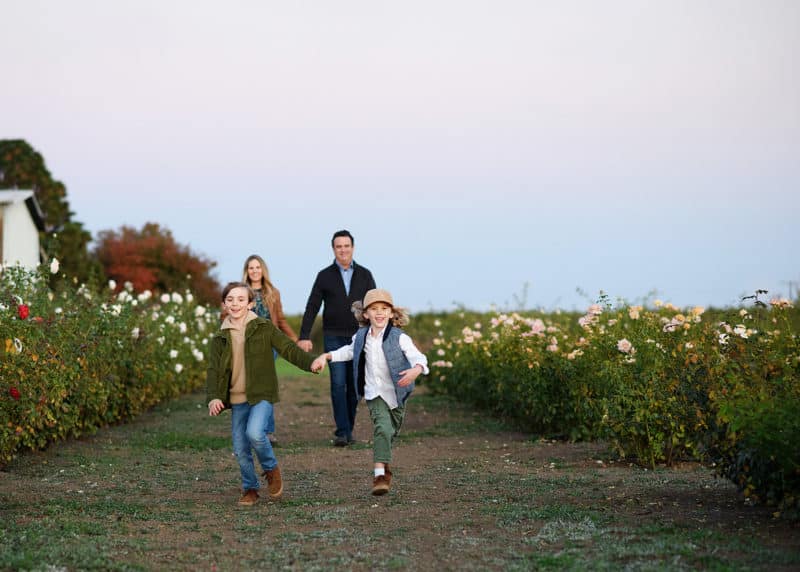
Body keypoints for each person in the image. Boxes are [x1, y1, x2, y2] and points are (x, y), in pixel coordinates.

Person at [207, 282, 318, 507]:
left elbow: (288, 348)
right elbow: (214, 370)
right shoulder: (219, 337)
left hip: (261, 394)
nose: (235, 304)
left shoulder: (264, 327)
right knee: (240, 449)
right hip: (237, 399)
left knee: (256, 434)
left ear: (250, 303)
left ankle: (270, 468)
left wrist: (310, 362)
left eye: (240, 299)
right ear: (224, 304)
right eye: (230, 300)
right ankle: (250, 488)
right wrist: (214, 397)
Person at [311, 288, 428, 496]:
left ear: (391, 313)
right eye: (374, 309)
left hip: (398, 393)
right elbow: (348, 351)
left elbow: (419, 357)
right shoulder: (361, 335)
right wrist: (326, 357)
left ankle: (385, 464)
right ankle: (379, 475)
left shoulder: (399, 337)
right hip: (374, 393)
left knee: (390, 432)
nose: (379, 313)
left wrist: (416, 370)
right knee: (382, 429)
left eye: (384, 308)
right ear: (365, 314)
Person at [298, 230, 376, 447]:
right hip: (333, 336)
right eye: (338, 246)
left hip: (360, 338)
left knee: (355, 386)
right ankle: (342, 431)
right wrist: (304, 335)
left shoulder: (365, 274)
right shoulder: (324, 275)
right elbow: (312, 306)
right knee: (338, 384)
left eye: (346, 246)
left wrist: (379, 332)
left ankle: (347, 427)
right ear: (333, 249)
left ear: (353, 247)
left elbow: (375, 304)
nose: (343, 250)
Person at [242, 254, 297, 445]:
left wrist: (295, 339)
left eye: (258, 267)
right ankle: (253, 428)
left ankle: (267, 431)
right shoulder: (240, 292)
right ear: (246, 271)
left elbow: (280, 319)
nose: (255, 271)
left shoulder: (273, 292)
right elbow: (227, 314)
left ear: (262, 270)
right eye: (251, 268)